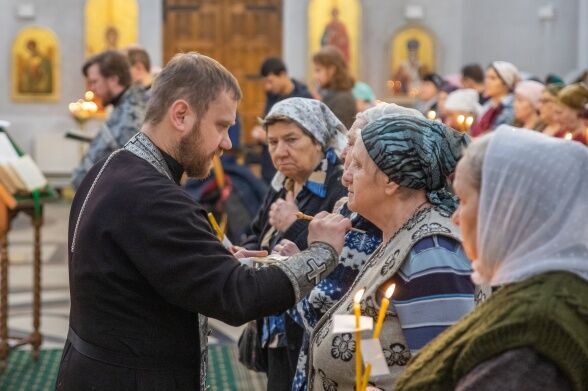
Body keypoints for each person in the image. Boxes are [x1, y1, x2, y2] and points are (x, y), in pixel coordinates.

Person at [56, 52, 352, 391]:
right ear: (181, 114)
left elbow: (159, 269)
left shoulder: (114, 167)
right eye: (222, 126)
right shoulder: (153, 197)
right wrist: (323, 252)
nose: (227, 142)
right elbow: (238, 297)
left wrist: (217, 263)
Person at [395, 126, 588, 391]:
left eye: (462, 200)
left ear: (506, 207)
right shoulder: (529, 292)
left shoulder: (534, 331)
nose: (456, 217)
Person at [307, 116, 476, 390]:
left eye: (359, 165)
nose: (346, 175)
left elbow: (447, 373)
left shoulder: (432, 252)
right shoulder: (399, 232)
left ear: (392, 181)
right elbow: (376, 332)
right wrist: (371, 375)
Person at [280, 103, 424, 391]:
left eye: (357, 151)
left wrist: (302, 267)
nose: (345, 157)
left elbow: (347, 329)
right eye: (348, 144)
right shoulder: (352, 211)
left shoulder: (406, 236)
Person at [240, 97, 348, 391]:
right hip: (277, 321)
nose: (280, 151)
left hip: (312, 326)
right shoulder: (282, 183)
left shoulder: (339, 186)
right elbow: (257, 230)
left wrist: (294, 224)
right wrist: (248, 251)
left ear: (317, 141)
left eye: (291, 139)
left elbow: (340, 252)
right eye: (272, 142)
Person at [71, 50, 148, 189]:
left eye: (95, 82)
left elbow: (128, 172)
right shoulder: (123, 106)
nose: (92, 89)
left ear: (113, 79)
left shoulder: (131, 114)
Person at [252, 57, 313, 184]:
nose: (268, 87)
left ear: (283, 75)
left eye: (270, 81)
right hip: (269, 165)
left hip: (292, 165)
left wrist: (268, 136)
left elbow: (307, 134)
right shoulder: (271, 95)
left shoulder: (304, 98)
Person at [470, 61, 520, 136]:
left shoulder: (511, 107)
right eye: (486, 77)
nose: (487, 82)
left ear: (506, 83)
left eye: (493, 78)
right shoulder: (488, 105)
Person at [312, 46, 357, 128]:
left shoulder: (343, 99)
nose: (314, 76)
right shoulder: (329, 93)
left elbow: (337, 133)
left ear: (332, 70)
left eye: (318, 70)